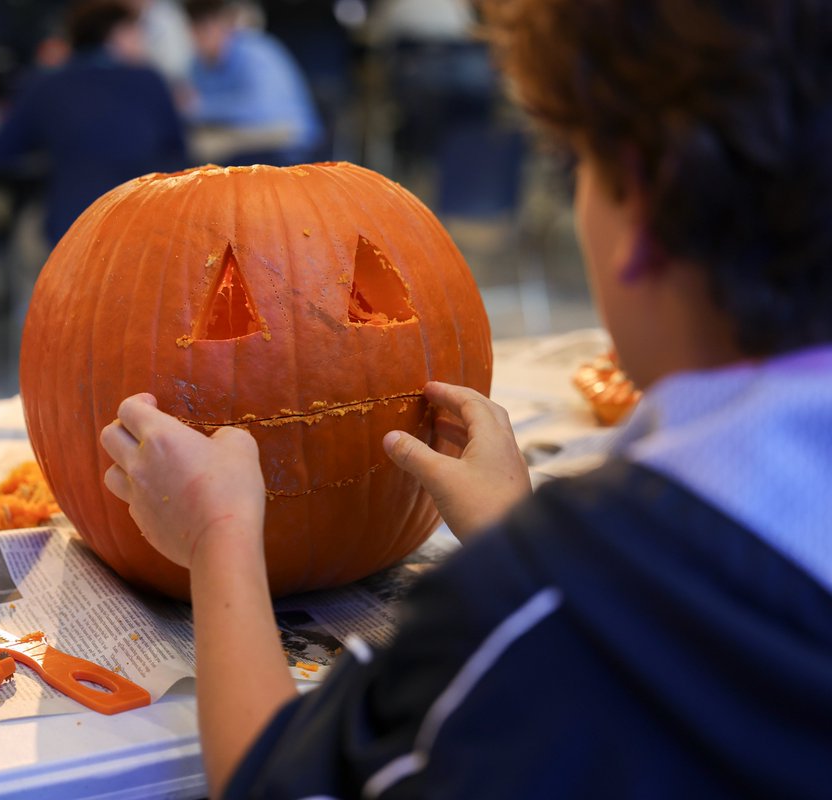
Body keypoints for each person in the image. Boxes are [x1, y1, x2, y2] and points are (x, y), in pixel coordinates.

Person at [99, 0, 832, 796]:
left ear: (642, 209)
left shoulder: (540, 605)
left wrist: (218, 537)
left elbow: (284, 783)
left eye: (577, 164)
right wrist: (519, 536)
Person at [0, 0, 188, 245]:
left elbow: (0, 152)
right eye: (137, 32)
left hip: (73, 230)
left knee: (20, 241)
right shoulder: (151, 81)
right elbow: (181, 153)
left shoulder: (46, 83)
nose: (143, 41)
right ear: (116, 35)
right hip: (153, 230)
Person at [182, 0, 321, 165]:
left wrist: (198, 106)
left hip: (287, 138)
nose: (201, 36)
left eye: (207, 27)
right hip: (239, 135)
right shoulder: (197, 64)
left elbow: (261, 111)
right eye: (195, 28)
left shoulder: (254, 50)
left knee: (207, 149)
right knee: (191, 146)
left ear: (226, 24)